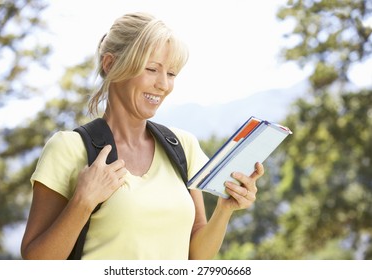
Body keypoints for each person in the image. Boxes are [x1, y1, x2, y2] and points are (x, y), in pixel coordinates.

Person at [21, 12, 264, 260]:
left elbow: (196, 257)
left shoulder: (183, 146)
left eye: (171, 74)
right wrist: (83, 202)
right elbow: (36, 262)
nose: (163, 85)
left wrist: (224, 210)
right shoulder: (69, 149)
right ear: (110, 64)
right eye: (151, 69)